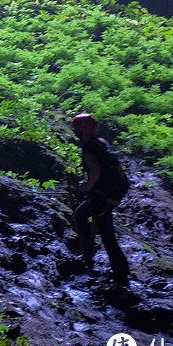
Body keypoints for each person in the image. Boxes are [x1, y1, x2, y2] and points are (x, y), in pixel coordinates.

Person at [71, 113, 130, 286]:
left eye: (75, 129)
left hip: (102, 196)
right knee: (81, 213)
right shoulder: (101, 143)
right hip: (110, 192)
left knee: (107, 235)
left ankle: (121, 274)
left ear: (81, 130)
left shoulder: (89, 148)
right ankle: (87, 256)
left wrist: (86, 187)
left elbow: (95, 171)